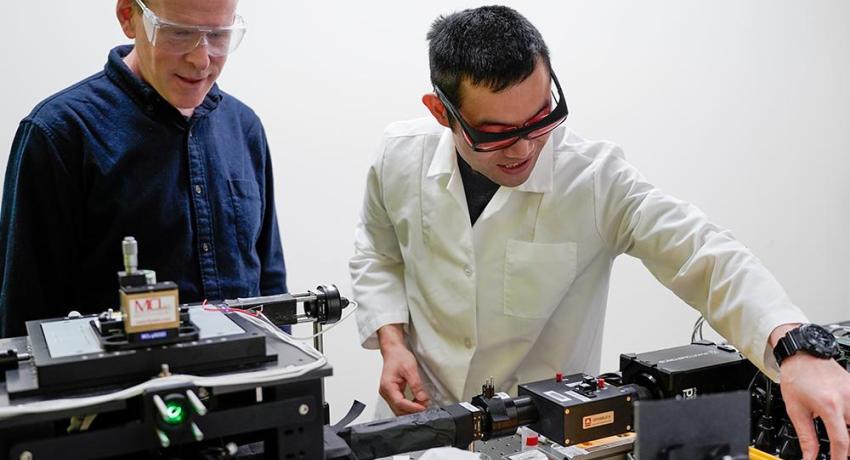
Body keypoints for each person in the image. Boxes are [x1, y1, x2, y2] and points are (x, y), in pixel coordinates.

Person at [350, 6, 850, 459]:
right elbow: (378, 252)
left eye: (542, 117)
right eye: (498, 133)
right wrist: (393, 342)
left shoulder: (594, 179)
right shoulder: (400, 155)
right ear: (442, 112)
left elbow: (702, 250)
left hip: (536, 441)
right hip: (412, 425)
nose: (525, 148)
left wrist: (795, 345)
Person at [0, 0, 287, 338]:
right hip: (120, 387)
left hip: (245, 383)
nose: (201, 59)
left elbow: (271, 288)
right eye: (179, 33)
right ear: (128, 17)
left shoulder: (244, 128)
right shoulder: (61, 134)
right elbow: (25, 321)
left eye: (218, 35)